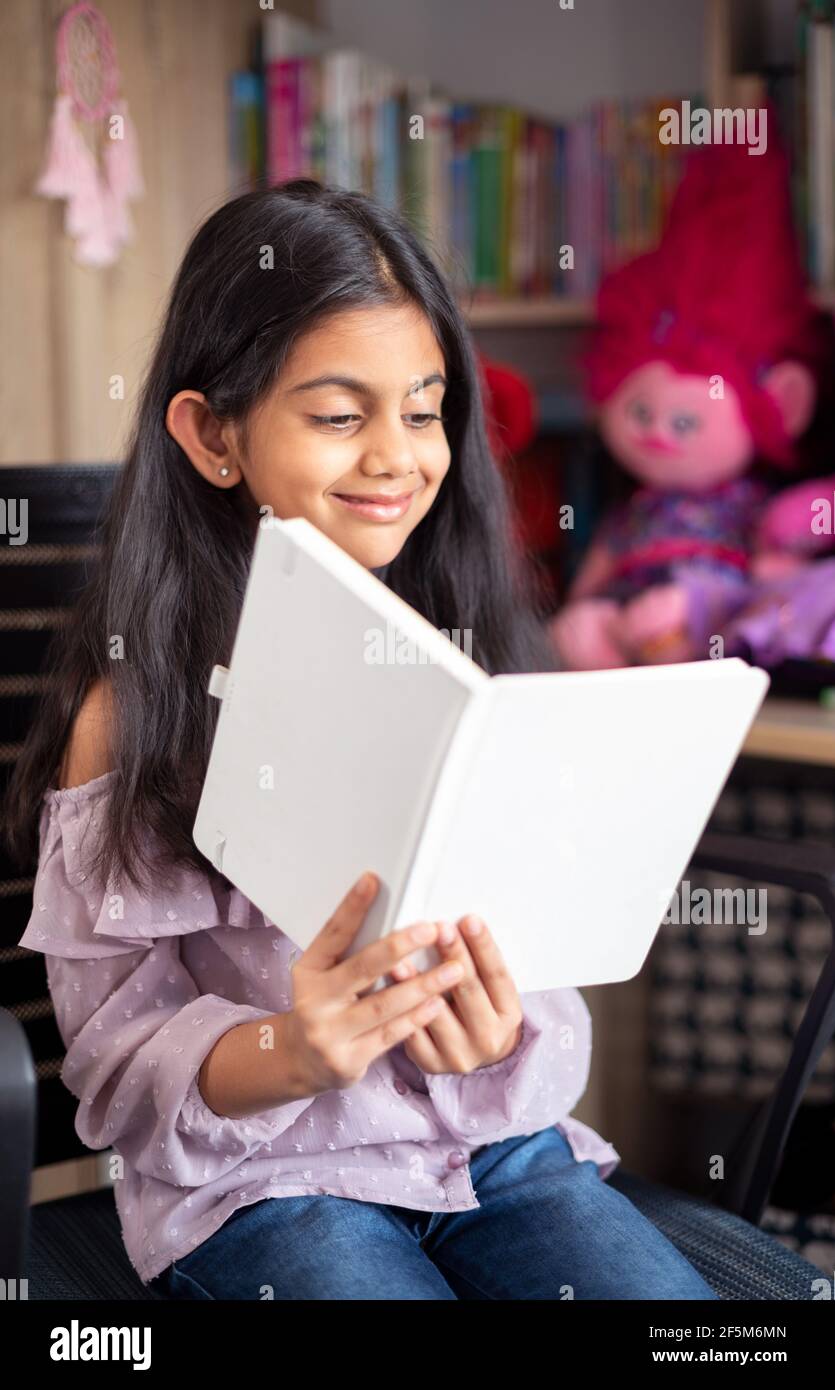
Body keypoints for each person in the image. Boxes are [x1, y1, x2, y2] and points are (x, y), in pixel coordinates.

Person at [4, 180, 718, 1300]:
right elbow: (110, 1062)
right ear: (213, 434)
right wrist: (294, 1050)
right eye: (340, 415)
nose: (398, 457)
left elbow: (542, 979)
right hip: (267, 1178)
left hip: (496, 1153)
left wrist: (497, 1037)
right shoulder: (136, 712)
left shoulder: (468, 662)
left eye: (425, 408)